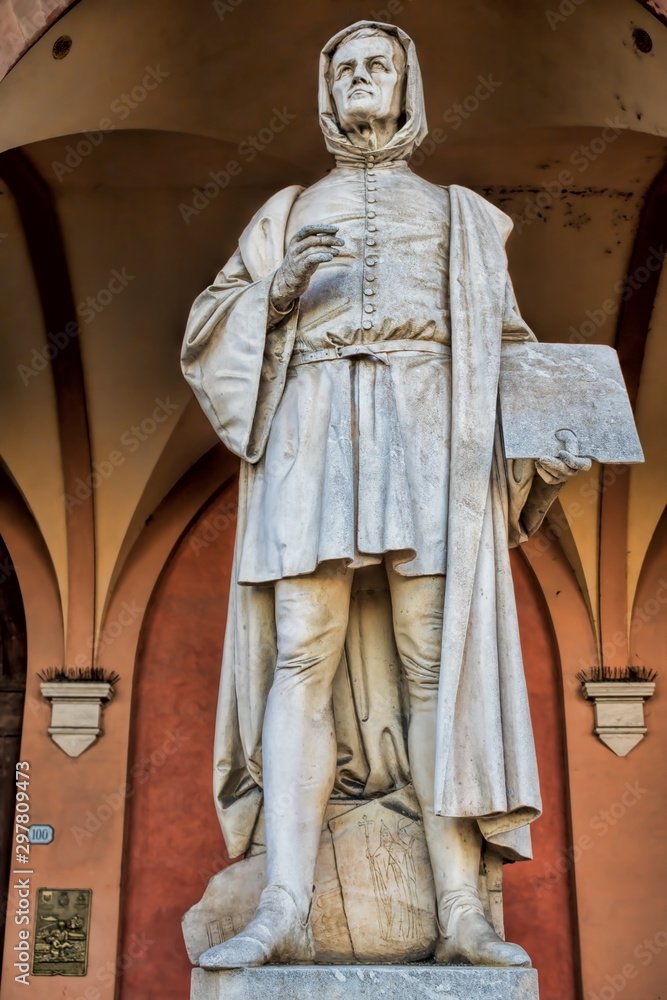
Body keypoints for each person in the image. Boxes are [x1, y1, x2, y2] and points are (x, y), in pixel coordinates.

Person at [182, 20, 589, 969]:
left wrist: (548, 443)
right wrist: (274, 294)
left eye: (380, 66)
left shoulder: (462, 216)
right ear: (326, 92)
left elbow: (509, 349)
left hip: (425, 428)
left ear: (408, 87)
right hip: (312, 420)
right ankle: (283, 906)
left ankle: (460, 913)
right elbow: (208, 330)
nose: (362, 80)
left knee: (433, 661)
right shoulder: (283, 212)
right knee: (300, 652)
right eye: (346, 70)